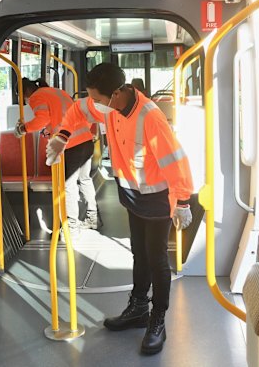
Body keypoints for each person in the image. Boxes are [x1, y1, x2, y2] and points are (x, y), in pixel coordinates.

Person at [46, 63, 194, 355]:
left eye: (99, 100)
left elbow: (176, 160)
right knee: (138, 253)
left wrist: (183, 201)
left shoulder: (150, 117)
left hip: (157, 198)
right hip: (130, 193)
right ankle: (138, 307)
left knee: (157, 259)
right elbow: (78, 109)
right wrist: (62, 135)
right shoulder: (106, 105)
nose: (96, 106)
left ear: (117, 94)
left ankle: (157, 319)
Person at [14, 78, 100, 233]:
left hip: (71, 144)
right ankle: (93, 217)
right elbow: (64, 116)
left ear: (26, 91)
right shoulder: (57, 91)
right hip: (86, 139)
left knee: (68, 185)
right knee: (85, 179)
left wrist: (23, 128)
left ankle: (71, 226)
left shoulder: (36, 97)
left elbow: (43, 119)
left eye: (22, 98)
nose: (25, 101)